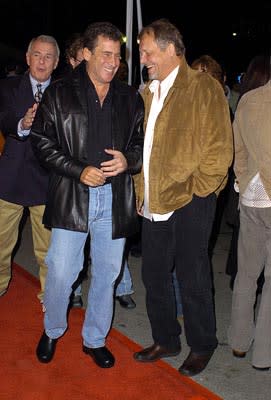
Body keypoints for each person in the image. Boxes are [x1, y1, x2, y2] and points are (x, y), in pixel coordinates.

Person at [32, 21, 144, 368]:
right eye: (106, 54)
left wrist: (129, 160)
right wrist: (77, 169)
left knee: (108, 273)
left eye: (117, 55)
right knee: (62, 271)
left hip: (114, 199)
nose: (113, 62)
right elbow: (41, 141)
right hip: (72, 196)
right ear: (87, 55)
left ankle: (94, 339)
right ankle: (52, 329)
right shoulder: (60, 92)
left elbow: (142, 147)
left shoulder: (129, 97)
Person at [133, 19, 233, 376]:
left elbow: (220, 150)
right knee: (154, 274)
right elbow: (144, 150)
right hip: (154, 201)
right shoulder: (147, 92)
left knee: (193, 277)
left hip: (191, 199)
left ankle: (202, 343)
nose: (142, 57)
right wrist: (141, 190)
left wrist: (200, 192)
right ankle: (167, 339)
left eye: (147, 51)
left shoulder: (204, 88)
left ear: (171, 49)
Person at [0, 35, 59, 302]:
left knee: (48, 250)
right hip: (9, 181)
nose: (42, 61)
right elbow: (5, 119)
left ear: (56, 62)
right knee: (1, 246)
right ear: (27, 58)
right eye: (37, 54)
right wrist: (22, 123)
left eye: (48, 56)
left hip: (46, 183)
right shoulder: (8, 87)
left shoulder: (62, 92)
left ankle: (50, 297)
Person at [227, 54, 271, 371]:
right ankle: (263, 355)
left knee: (247, 274)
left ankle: (240, 343)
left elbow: (236, 149)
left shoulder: (248, 100)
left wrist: (244, 179)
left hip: (252, 197)